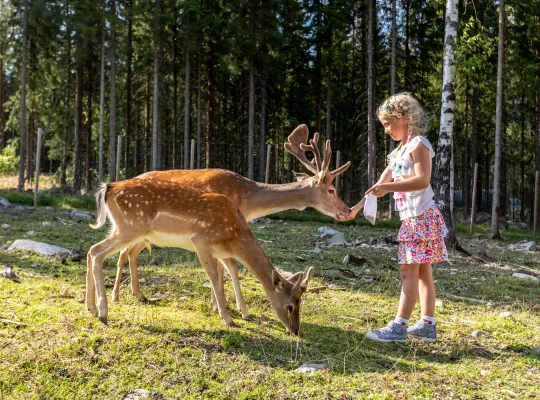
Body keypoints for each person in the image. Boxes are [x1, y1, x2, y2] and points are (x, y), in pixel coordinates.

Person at [364, 93, 448, 343]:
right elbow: (380, 183)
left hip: (421, 217)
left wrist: (389, 188)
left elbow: (423, 179)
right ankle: (427, 325)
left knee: (408, 271)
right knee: (422, 272)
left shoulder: (418, 144)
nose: (387, 130)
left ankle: (399, 326)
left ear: (403, 118)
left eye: (389, 124)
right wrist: (357, 208)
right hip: (413, 219)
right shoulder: (398, 152)